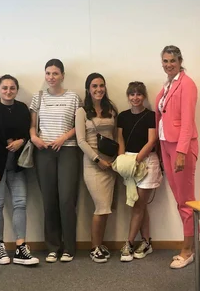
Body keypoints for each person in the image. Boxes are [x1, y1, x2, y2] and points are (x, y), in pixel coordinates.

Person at [0, 74, 38, 266]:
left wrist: (22, 140)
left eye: (12, 88)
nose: (8, 91)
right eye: (4, 88)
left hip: (17, 165)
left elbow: (28, 132)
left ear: (16, 90)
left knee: (20, 204)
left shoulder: (22, 109)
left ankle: (21, 247)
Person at [30, 59, 81, 263]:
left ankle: (69, 247)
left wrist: (64, 137)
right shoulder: (38, 97)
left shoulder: (73, 97)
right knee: (49, 200)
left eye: (55, 73)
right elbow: (33, 126)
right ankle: (53, 247)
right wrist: (34, 137)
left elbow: (80, 126)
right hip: (44, 152)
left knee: (67, 199)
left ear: (63, 75)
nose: (51, 77)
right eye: (48, 73)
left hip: (68, 150)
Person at [155, 45, 199, 269]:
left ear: (180, 60)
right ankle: (189, 245)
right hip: (166, 145)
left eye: (172, 60)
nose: (168, 64)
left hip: (181, 148)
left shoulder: (187, 84)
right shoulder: (167, 85)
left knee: (186, 200)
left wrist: (181, 151)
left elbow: (188, 121)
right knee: (179, 199)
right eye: (165, 61)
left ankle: (188, 249)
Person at [75, 73, 118, 263]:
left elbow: (116, 136)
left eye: (101, 85)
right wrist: (97, 160)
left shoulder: (112, 109)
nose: (98, 89)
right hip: (93, 165)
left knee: (106, 208)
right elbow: (81, 140)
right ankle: (93, 247)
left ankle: (100, 244)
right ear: (88, 89)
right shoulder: (82, 112)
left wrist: (116, 160)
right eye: (94, 86)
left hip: (111, 165)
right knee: (101, 206)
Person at [116, 81, 161, 262]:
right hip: (128, 162)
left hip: (146, 161)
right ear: (128, 96)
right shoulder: (123, 116)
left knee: (138, 204)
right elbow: (120, 139)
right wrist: (122, 161)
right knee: (141, 205)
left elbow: (151, 141)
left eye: (139, 94)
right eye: (132, 94)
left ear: (144, 97)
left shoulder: (151, 116)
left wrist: (136, 160)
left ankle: (128, 243)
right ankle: (146, 242)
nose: (135, 98)